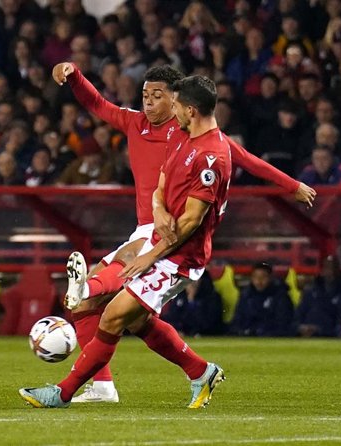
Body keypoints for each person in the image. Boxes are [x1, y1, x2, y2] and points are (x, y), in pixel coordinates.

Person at [49, 62, 315, 403]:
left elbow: (247, 159)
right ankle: (110, 384)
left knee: (105, 287)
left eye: (157, 96)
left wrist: (291, 186)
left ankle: (88, 286)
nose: (148, 102)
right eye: (145, 95)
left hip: (171, 233)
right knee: (121, 317)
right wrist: (74, 76)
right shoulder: (135, 124)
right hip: (148, 225)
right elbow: (98, 104)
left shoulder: (193, 133)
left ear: (176, 100)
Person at [19, 75, 231, 409]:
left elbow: (191, 222)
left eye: (173, 104)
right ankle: (200, 371)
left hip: (181, 257)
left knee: (112, 316)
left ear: (189, 110)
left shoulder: (212, 156)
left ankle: (62, 393)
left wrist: (151, 257)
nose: (168, 111)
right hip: (160, 240)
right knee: (134, 320)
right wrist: (158, 209)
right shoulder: (183, 139)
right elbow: (160, 184)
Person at [229, 263, 294, 337]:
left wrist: (261, 331)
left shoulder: (280, 296)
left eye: (263, 277)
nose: (259, 281)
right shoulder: (246, 296)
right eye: (256, 277)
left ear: (270, 278)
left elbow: (283, 322)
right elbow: (238, 319)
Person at [294, 256, 341, 338]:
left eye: (334, 268)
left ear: (339, 271)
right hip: (305, 335)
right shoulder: (311, 292)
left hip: (329, 337)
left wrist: (320, 330)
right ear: (322, 270)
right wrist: (300, 328)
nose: (331, 272)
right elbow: (297, 317)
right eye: (328, 268)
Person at [162, 270, 224, 336]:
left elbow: (208, 322)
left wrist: (191, 300)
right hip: (182, 333)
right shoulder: (178, 296)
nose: (191, 283)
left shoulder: (212, 297)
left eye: (194, 280)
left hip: (206, 334)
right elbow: (172, 317)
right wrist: (178, 329)